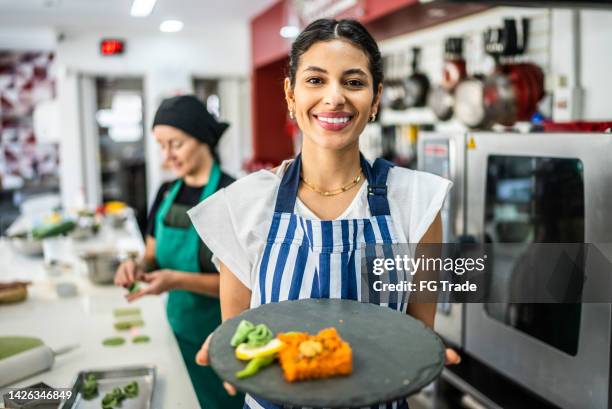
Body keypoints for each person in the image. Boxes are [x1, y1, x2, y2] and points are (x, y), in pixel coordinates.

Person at [189, 19, 460, 409]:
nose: (334, 98)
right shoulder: (244, 205)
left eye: (353, 82)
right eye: (315, 80)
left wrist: (427, 353)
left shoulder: (418, 200)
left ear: (376, 97)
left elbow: (416, 337)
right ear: (290, 93)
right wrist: (228, 347)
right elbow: (241, 337)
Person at [113, 95, 244, 409]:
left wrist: (176, 280)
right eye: (161, 145)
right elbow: (152, 256)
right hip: (174, 332)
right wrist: (136, 265)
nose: (166, 155)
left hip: (221, 338)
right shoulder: (166, 192)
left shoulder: (234, 196)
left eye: (176, 144)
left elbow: (245, 287)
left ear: (202, 139)